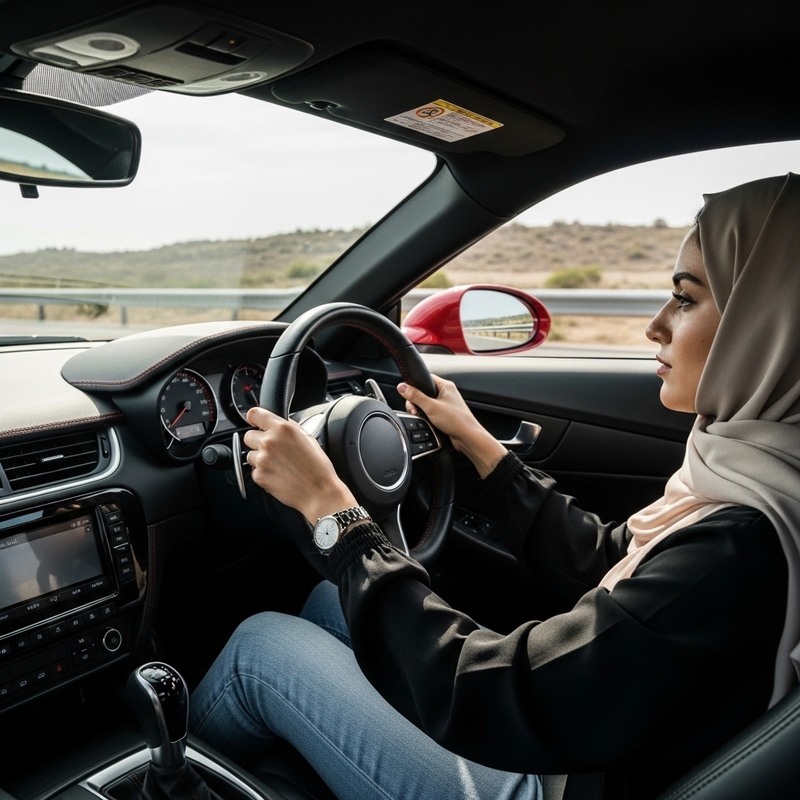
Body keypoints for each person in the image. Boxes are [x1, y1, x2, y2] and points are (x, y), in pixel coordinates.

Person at [189, 173, 800, 800]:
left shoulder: (741, 548)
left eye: (685, 298)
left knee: (260, 648)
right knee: (330, 601)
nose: (655, 326)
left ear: (767, 322)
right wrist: (481, 447)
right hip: (592, 749)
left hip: (558, 781)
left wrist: (335, 514)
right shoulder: (762, 474)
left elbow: (507, 694)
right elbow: (610, 560)